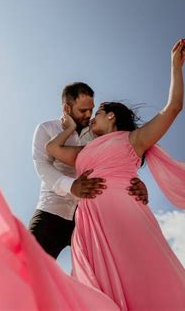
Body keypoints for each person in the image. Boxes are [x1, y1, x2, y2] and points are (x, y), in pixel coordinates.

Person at [46, 39, 185, 310]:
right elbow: (52, 149)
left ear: (110, 116)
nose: (91, 119)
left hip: (124, 211)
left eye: (96, 113)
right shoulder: (84, 149)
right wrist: (70, 126)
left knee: (140, 275)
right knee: (97, 285)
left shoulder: (133, 139)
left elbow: (173, 109)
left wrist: (175, 67)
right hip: (89, 221)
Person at [29, 82, 150, 259]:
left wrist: (135, 181)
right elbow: (42, 166)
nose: (88, 115)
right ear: (66, 108)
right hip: (51, 210)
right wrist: (72, 186)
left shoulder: (97, 132)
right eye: (82, 110)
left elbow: (117, 157)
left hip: (90, 215)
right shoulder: (46, 129)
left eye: (91, 110)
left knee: (100, 274)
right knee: (28, 264)